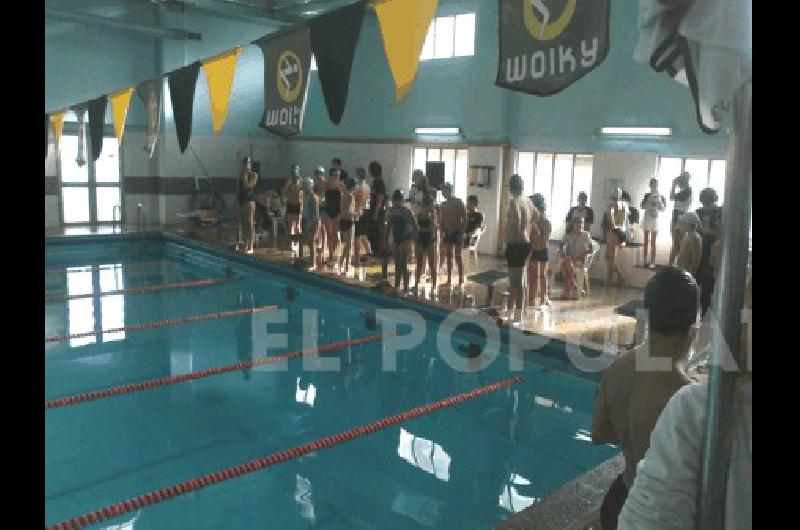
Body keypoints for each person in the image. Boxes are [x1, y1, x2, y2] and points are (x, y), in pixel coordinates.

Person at [617, 277, 751, 530]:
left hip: (629, 486)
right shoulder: (699, 405)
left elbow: (599, 433)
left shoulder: (703, 407)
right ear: (694, 328)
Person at [592, 267, 699, 530]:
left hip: (619, 501)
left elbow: (599, 433)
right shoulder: (687, 398)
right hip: (658, 516)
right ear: (693, 327)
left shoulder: (618, 368)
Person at [504, 174, 538, 325]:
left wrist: (517, 231)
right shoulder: (527, 201)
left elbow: (517, 218)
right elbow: (536, 215)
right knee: (521, 280)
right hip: (525, 244)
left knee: (515, 282)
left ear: (511, 187)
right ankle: (519, 311)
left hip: (516, 244)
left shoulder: (514, 202)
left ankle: (518, 316)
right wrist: (527, 229)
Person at [696, 187, 723, 315]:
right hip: (702, 249)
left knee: (708, 282)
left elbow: (721, 232)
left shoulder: (720, 212)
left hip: (712, 251)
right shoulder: (699, 212)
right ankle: (703, 312)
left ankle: (706, 313)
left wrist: (707, 231)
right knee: (702, 281)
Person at [385, 190, 418, 295]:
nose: (397, 203)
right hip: (396, 239)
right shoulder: (392, 211)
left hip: (405, 240)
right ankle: (397, 286)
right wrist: (386, 240)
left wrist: (409, 241)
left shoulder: (407, 212)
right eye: (395, 201)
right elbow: (389, 226)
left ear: (402, 200)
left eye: (399, 201)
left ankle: (406, 288)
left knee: (403, 264)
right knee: (397, 264)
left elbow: (416, 228)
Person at [440, 183, 467, 288]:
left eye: (444, 191)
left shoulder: (458, 202)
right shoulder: (443, 204)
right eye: (442, 192)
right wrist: (442, 233)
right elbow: (442, 220)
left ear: (449, 191)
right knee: (449, 256)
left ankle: (461, 279)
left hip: (457, 231)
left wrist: (462, 233)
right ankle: (449, 278)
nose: (443, 193)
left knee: (458, 256)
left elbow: (464, 219)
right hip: (448, 231)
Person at [560, 217, 594, 299]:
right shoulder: (568, 235)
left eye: (581, 223)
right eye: (577, 223)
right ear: (573, 224)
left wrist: (581, 254)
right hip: (570, 258)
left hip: (581, 259)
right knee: (566, 264)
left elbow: (591, 250)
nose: (579, 224)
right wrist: (562, 252)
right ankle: (575, 287)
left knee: (565, 266)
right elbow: (561, 245)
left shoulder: (586, 235)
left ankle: (568, 290)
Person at [528, 193, 552, 307]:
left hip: (542, 250)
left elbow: (543, 243)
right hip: (533, 250)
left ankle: (544, 297)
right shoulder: (530, 222)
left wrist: (536, 235)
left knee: (543, 275)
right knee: (533, 275)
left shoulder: (546, 223)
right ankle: (531, 298)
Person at [602, 187, 630, 286]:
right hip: (614, 232)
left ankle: (610, 280)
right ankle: (620, 276)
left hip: (616, 232)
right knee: (608, 257)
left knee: (612, 258)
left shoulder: (621, 205)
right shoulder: (613, 205)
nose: (614, 199)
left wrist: (625, 237)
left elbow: (621, 222)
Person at [413, 191, 438, 296]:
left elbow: (431, 228)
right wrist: (418, 231)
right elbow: (415, 227)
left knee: (432, 264)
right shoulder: (418, 213)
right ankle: (416, 283)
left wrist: (419, 230)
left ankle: (434, 285)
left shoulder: (433, 214)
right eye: (430, 205)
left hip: (430, 239)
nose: (432, 207)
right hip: (420, 239)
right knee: (418, 263)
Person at [640, 179, 667, 269]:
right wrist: (650, 201)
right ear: (650, 186)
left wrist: (659, 203)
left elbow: (663, 209)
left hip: (655, 219)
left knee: (653, 242)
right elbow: (642, 206)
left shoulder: (661, 196)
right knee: (645, 241)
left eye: (656, 185)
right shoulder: (647, 195)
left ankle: (652, 262)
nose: (654, 187)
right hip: (647, 218)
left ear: (658, 185)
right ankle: (644, 260)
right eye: (652, 185)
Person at [668, 171, 693, 266]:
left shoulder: (687, 191)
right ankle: (673, 266)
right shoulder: (685, 191)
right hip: (678, 217)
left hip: (680, 218)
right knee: (677, 245)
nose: (677, 184)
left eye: (678, 182)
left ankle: (674, 266)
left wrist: (673, 185)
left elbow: (671, 197)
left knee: (678, 245)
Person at [322, 168, 345, 268]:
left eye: (338, 175)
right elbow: (320, 194)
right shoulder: (326, 184)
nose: (337, 177)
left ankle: (333, 253)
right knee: (330, 234)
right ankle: (330, 255)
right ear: (330, 175)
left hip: (337, 211)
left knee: (335, 234)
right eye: (335, 175)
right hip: (327, 211)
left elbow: (345, 198)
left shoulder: (341, 185)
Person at [238, 157, 259, 254]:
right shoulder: (242, 174)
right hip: (242, 201)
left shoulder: (253, 175)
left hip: (250, 201)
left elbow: (247, 186)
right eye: (245, 164)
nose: (246, 165)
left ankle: (251, 245)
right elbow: (239, 189)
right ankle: (246, 244)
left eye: (248, 164)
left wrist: (245, 174)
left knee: (250, 223)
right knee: (244, 224)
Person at [353, 167, 372, 271]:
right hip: (366, 212)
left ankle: (357, 260)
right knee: (364, 236)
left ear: (358, 175)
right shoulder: (368, 186)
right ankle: (369, 256)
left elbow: (357, 202)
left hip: (359, 213)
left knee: (357, 238)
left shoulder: (359, 187)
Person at [303, 178, 324, 271]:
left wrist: (309, 226)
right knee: (310, 242)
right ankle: (313, 261)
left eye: (304, 186)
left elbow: (315, 214)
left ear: (309, 187)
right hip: (311, 221)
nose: (303, 188)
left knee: (311, 242)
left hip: (315, 222)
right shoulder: (309, 197)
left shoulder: (314, 198)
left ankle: (314, 263)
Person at [339, 177, 358, 277]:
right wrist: (358, 213)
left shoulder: (343, 196)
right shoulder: (350, 196)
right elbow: (349, 212)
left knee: (346, 245)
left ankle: (342, 263)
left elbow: (343, 211)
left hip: (342, 221)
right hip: (349, 221)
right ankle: (346, 266)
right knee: (349, 245)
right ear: (353, 187)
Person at [367, 161, 387, 257]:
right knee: (373, 233)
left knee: (376, 233)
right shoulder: (376, 181)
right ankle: (375, 251)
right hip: (375, 209)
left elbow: (380, 198)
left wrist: (375, 213)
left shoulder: (378, 182)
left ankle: (377, 253)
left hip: (377, 211)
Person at [283, 165, 304, 252]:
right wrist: (288, 186)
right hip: (290, 204)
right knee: (290, 225)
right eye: (294, 170)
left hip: (298, 205)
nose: (295, 172)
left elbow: (304, 193)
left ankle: (297, 243)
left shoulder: (300, 180)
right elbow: (284, 192)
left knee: (298, 225)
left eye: (296, 170)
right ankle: (290, 243)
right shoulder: (289, 180)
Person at [676, 211, 702, 277]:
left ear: (688, 224)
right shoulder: (687, 235)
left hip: (687, 270)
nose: (681, 226)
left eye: (682, 224)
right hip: (682, 268)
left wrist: (691, 272)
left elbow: (696, 257)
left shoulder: (694, 237)